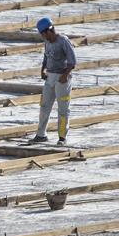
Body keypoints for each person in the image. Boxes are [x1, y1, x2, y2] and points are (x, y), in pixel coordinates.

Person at [31, 17, 76, 145]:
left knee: (63, 109)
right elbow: (46, 56)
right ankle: (41, 135)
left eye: (42, 34)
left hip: (62, 79)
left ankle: (62, 137)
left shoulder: (63, 41)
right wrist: (43, 69)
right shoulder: (47, 42)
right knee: (44, 106)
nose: (42, 37)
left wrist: (65, 75)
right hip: (50, 77)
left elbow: (72, 61)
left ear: (48, 31)